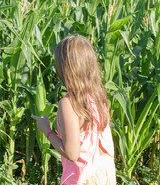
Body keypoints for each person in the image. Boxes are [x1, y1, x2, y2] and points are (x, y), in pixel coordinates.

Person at [32, 35, 116, 185]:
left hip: (86, 177)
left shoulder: (69, 104)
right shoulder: (98, 94)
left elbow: (72, 153)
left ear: (63, 69)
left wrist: (47, 130)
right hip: (105, 170)